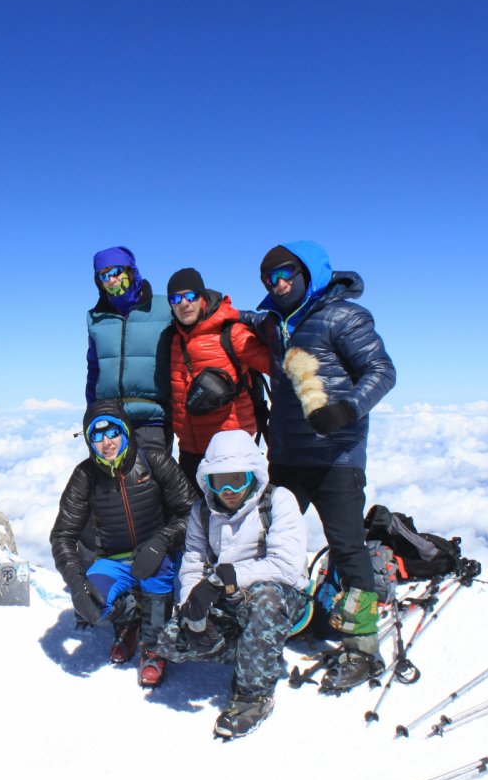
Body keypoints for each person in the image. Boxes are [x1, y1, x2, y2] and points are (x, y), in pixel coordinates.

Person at [247, 241, 396, 693]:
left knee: (348, 547)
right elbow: (241, 319)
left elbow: (382, 371)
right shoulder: (273, 320)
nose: (279, 283)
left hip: (337, 455)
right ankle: (280, 621)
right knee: (270, 541)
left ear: (309, 272)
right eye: (270, 278)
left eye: (287, 273)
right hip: (288, 454)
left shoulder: (344, 316)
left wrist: (347, 410)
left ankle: (362, 644)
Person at [159, 430, 308, 739]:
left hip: (280, 598)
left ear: (253, 475)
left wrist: (219, 580)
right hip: (228, 600)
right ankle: (259, 650)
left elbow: (286, 567)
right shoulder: (202, 512)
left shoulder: (278, 501)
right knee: (170, 640)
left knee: (266, 599)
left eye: (237, 479)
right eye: (218, 480)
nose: (228, 489)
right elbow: (193, 563)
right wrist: (191, 608)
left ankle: (253, 696)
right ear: (207, 480)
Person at [50, 401, 194, 687]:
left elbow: (191, 512)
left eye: (113, 432)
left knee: (158, 570)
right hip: (112, 561)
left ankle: (153, 647)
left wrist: (162, 540)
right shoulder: (85, 476)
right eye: (97, 436)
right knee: (90, 605)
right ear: (89, 440)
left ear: (126, 431)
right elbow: (62, 535)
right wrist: (78, 587)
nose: (107, 443)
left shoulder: (154, 460)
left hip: (157, 552)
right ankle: (128, 621)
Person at [164, 267, 272, 483]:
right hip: (189, 452)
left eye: (190, 296)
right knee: (193, 516)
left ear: (202, 297)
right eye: (175, 298)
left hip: (231, 453)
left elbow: (278, 368)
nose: (184, 303)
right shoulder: (173, 339)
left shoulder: (231, 333)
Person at [85, 247, 174, 454]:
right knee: (114, 484)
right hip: (109, 419)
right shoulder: (95, 318)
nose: (111, 280)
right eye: (103, 275)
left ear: (130, 271)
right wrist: (91, 412)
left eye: (116, 271)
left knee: (151, 481)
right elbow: (94, 369)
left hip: (153, 419)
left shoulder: (164, 309)